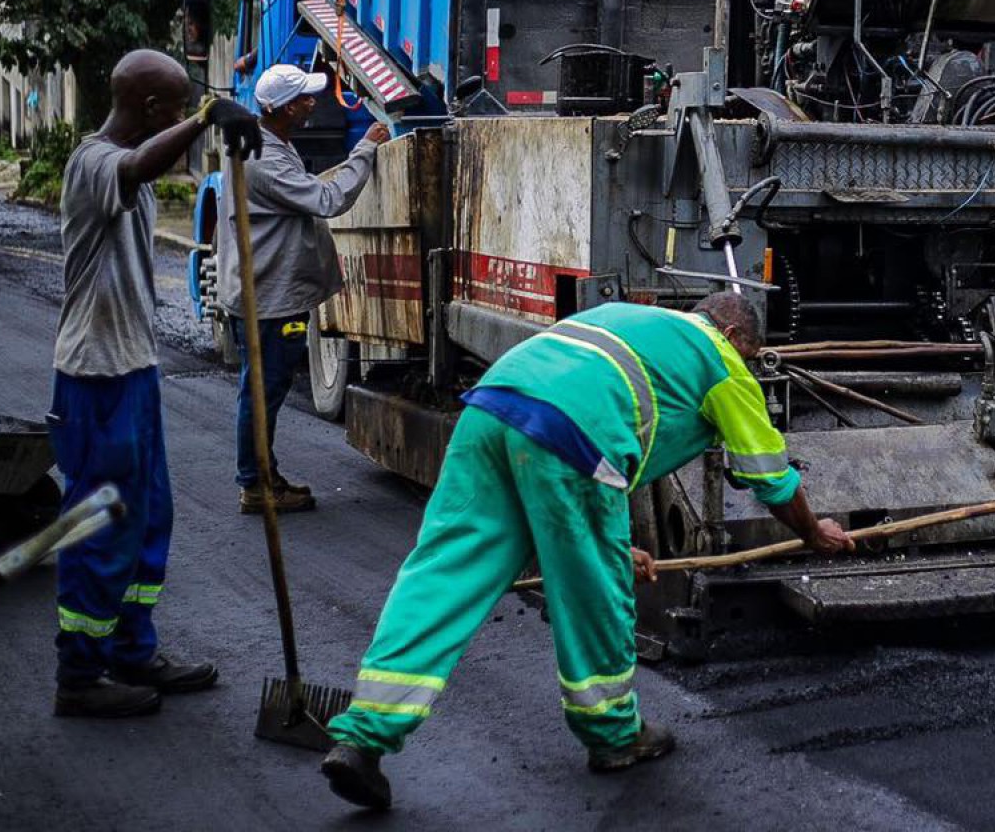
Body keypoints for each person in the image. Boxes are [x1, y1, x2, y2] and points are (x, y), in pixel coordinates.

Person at [319, 293, 855, 810]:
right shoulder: (723, 364)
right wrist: (813, 532)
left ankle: (364, 734)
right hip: (570, 436)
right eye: (751, 357)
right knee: (594, 596)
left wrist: (616, 544)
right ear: (734, 335)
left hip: (492, 408)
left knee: (444, 574)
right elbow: (768, 478)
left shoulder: (633, 319)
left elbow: (614, 406)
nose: (751, 367)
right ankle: (615, 732)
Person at [49, 49, 260, 719]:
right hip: (94, 375)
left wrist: (203, 124)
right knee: (100, 525)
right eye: (169, 110)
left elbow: (149, 165)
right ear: (148, 110)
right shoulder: (94, 164)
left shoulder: (131, 171)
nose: (174, 123)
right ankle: (79, 675)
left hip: (133, 371)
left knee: (147, 519)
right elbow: (138, 165)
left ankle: (132, 651)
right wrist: (203, 118)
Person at [215, 64, 390, 515]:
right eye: (305, 98)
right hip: (269, 297)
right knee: (262, 391)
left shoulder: (267, 142)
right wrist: (365, 151)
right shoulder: (265, 159)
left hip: (266, 290)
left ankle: (262, 475)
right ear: (283, 108)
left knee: (262, 390)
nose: (314, 102)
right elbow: (327, 200)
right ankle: (255, 484)